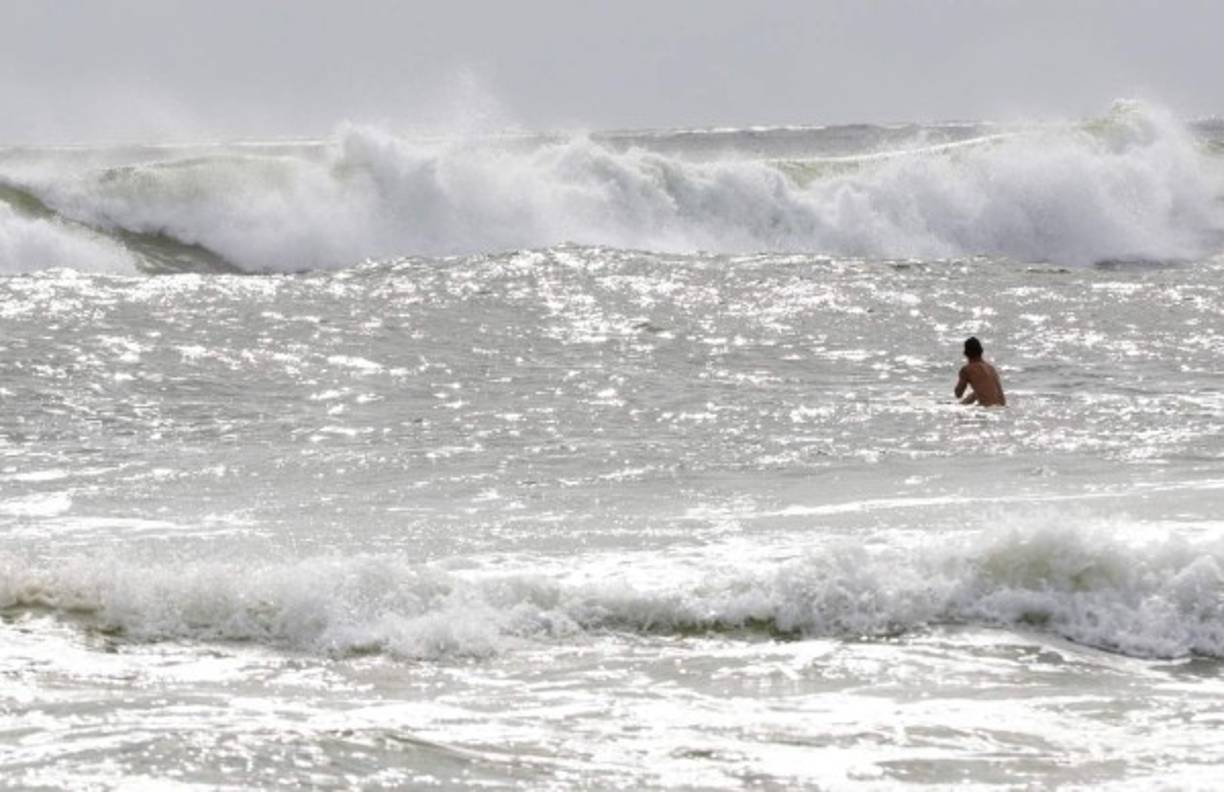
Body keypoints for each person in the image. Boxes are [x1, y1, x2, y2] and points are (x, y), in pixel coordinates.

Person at [954, 337, 1006, 406]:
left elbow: (958, 394)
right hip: (1002, 408)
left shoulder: (967, 369)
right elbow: (984, 392)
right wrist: (964, 402)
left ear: (965, 353)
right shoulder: (991, 368)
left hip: (987, 409)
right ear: (981, 351)